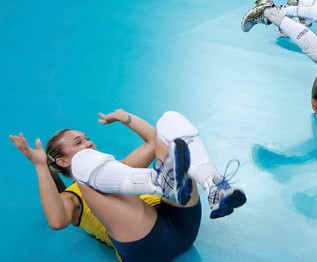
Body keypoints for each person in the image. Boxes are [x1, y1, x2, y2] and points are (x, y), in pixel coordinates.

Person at [10, 108, 246, 261]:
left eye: (88, 138)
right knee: (82, 164)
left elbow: (157, 141)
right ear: (61, 161)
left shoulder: (121, 171)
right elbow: (57, 221)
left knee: (169, 121)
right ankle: (161, 182)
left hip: (182, 224)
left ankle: (214, 186)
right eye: (79, 142)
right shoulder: (72, 197)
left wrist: (126, 118)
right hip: (146, 245)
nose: (89, 143)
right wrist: (41, 166)